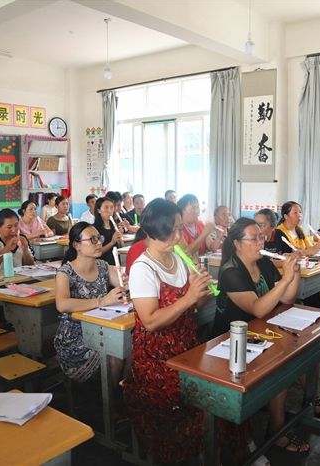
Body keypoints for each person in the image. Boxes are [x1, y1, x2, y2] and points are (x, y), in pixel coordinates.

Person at [126, 198, 241, 464]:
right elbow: (150, 321)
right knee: (200, 402)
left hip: (187, 345)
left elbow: (193, 308)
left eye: (180, 228)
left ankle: (216, 450)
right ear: (158, 230)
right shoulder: (143, 268)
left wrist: (201, 292)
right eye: (175, 230)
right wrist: (189, 298)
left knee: (224, 391)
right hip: (157, 357)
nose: (180, 236)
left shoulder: (177, 256)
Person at [212, 218, 316, 456]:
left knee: (298, 351)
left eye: (262, 237)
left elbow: (287, 299)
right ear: (237, 243)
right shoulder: (230, 271)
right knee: (280, 362)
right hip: (230, 341)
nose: (262, 242)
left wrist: (294, 273)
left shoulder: (264, 263)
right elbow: (257, 309)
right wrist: (285, 279)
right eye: (255, 238)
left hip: (259, 331)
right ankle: (277, 430)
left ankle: (297, 413)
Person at [54, 222, 127, 384]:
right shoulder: (65, 272)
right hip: (76, 338)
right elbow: (62, 304)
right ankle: (112, 395)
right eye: (93, 239)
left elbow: (122, 284)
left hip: (101, 329)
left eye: (99, 238)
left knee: (128, 346)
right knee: (116, 352)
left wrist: (126, 283)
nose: (99, 243)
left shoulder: (102, 266)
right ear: (77, 245)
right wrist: (102, 301)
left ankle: (118, 390)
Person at [177, 193, 215, 259]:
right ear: (183, 210)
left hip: (201, 263)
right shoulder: (177, 229)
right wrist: (204, 234)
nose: (197, 211)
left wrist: (219, 237)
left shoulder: (200, 224)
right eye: (193, 208)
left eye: (198, 207)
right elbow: (186, 254)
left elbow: (212, 247)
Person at [93, 196, 124, 266]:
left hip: (116, 264)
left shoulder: (115, 226)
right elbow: (96, 252)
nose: (109, 211)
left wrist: (120, 238)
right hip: (101, 265)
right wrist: (112, 242)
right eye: (106, 207)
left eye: (111, 207)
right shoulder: (94, 229)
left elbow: (121, 247)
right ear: (99, 210)